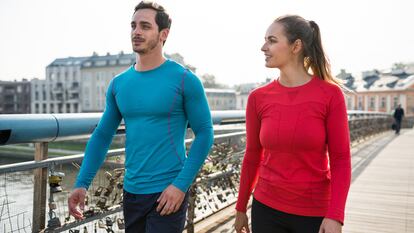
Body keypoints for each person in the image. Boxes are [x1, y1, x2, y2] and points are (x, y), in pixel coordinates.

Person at [68, 1, 214, 233]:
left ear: (163, 34)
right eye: (134, 25)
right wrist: (81, 183)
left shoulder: (185, 79)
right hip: (132, 192)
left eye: (145, 26)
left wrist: (180, 185)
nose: (136, 31)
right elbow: (103, 135)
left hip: (168, 191)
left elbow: (205, 134)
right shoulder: (119, 84)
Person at [234, 15, 351, 233]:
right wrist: (241, 208)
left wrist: (336, 215)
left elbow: (341, 159)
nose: (263, 47)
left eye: (272, 40)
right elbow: (252, 155)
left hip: (314, 213)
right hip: (265, 209)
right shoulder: (258, 97)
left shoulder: (330, 95)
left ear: (296, 46)